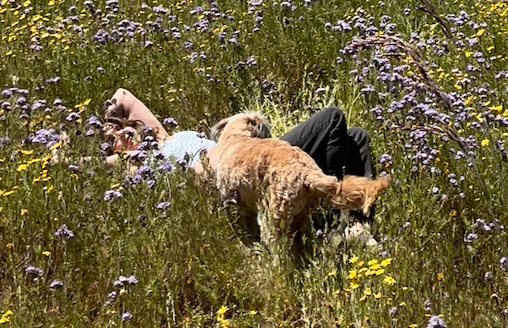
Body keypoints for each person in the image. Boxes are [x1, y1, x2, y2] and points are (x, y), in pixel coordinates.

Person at [102, 88, 379, 245]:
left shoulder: (165, 138)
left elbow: (123, 96)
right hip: (247, 176)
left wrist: (107, 124)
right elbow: (97, 165)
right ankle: (335, 219)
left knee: (356, 137)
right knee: (331, 118)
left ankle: (357, 224)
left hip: (254, 158)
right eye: (116, 142)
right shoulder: (149, 163)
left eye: (122, 131)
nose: (123, 138)